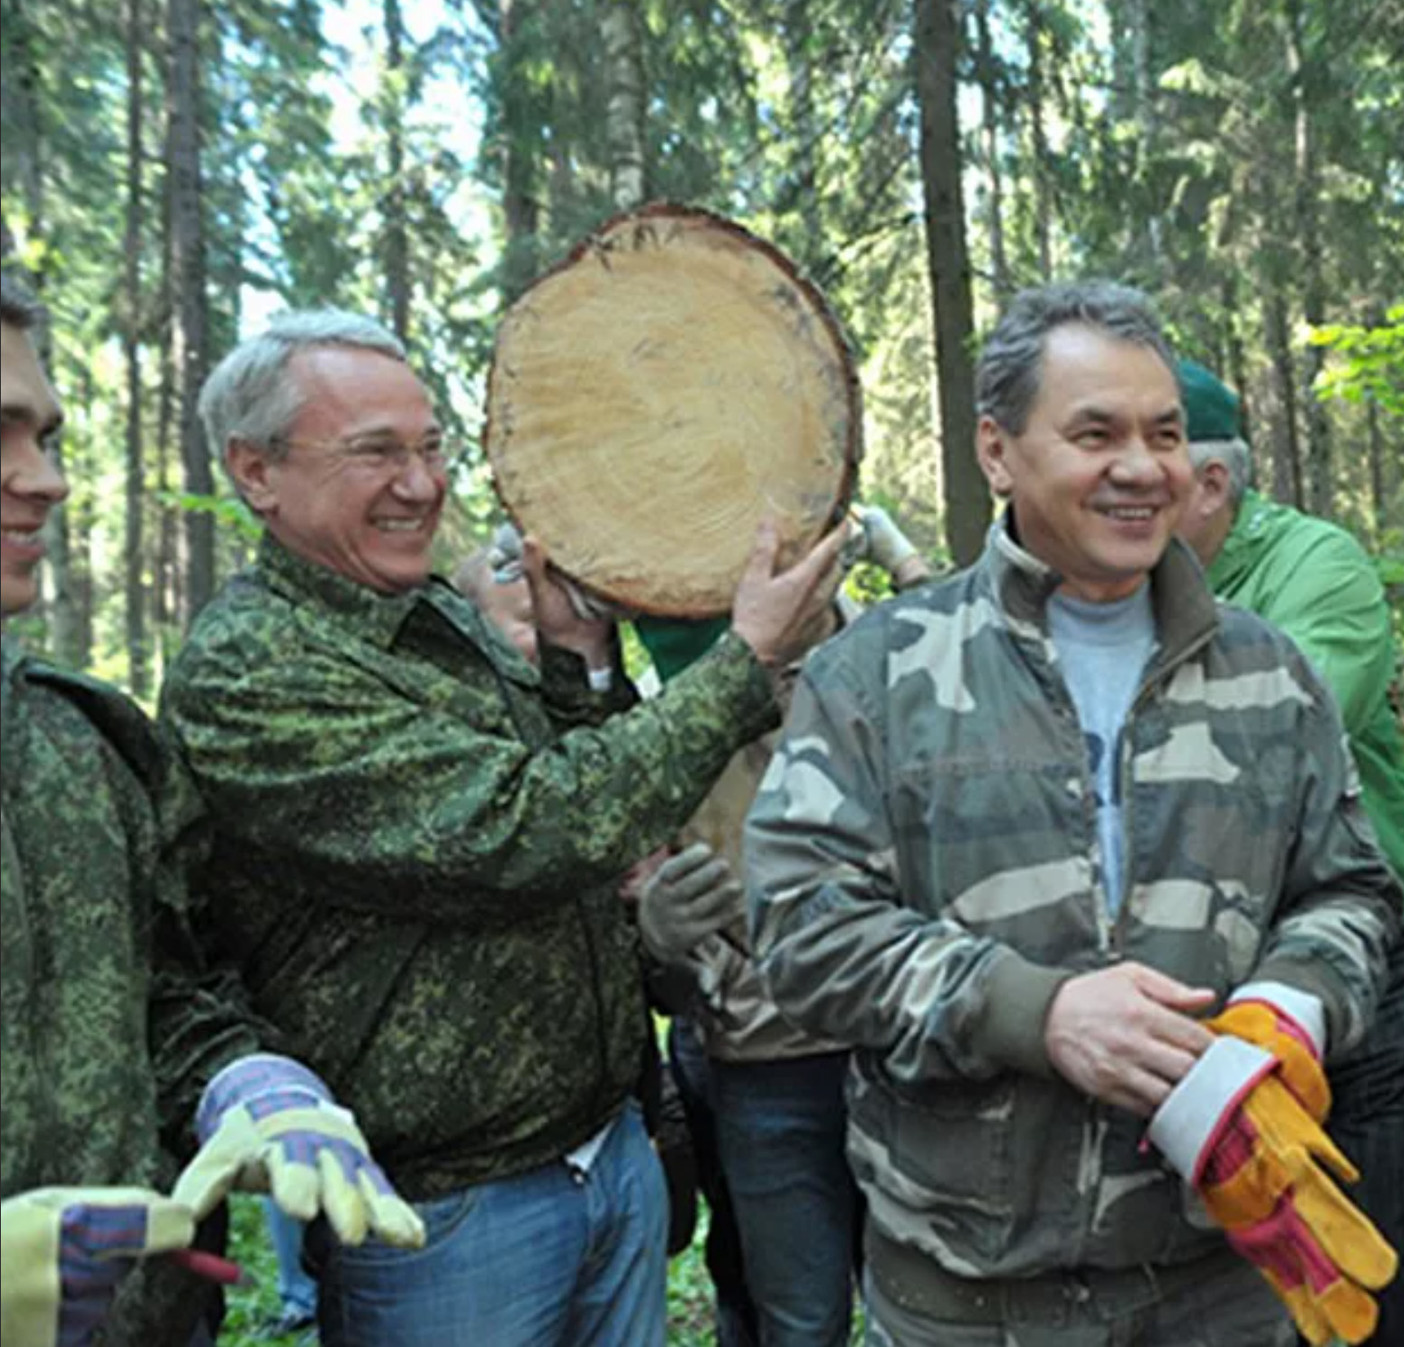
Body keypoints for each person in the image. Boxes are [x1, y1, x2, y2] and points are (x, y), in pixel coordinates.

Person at [157, 308, 842, 1347]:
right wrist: (740, 665)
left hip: (601, 1157)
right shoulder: (253, 667)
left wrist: (576, 667)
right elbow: (518, 829)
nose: (422, 485)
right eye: (376, 453)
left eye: (430, 448)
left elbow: (590, 807)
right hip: (445, 1216)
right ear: (256, 473)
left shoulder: (436, 618)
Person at [745, 280, 1404, 1346]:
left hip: (1217, 1276)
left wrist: (1287, 1008)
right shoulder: (882, 670)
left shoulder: (1267, 672)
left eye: (1164, 434)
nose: (1142, 468)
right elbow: (800, 927)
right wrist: (1034, 1012)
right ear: (998, 453)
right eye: (1094, 433)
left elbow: (1349, 890)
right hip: (968, 1288)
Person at [0, 276, 421, 1347]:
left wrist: (252, 1081)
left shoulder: (76, 739)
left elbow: (163, 988)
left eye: (46, 434)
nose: (44, 481)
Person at [1170, 359, 1404, 1347]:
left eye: (1147, 460)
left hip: (1370, 956)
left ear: (1211, 484)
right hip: (1207, 970)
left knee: (1386, 1255)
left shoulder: (1314, 564)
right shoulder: (1107, 581)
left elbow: (1278, 748)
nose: (1113, 489)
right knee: (1242, 1259)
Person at [631, 505, 928, 1347]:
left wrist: (899, 556)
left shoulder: (883, 660)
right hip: (764, 1058)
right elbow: (647, 896)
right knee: (796, 1312)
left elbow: (975, 660)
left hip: (902, 1037)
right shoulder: (670, 707)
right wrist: (667, 943)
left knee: (929, 1297)